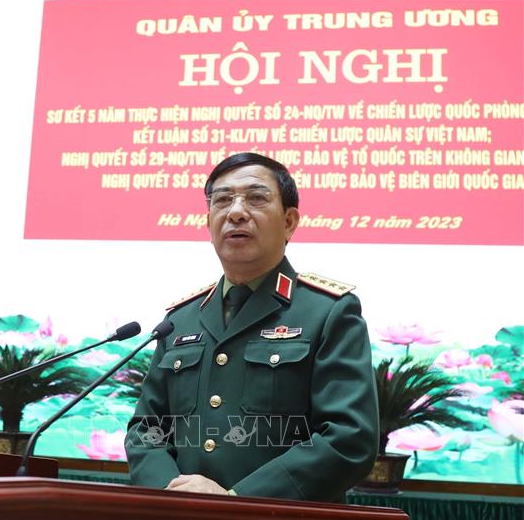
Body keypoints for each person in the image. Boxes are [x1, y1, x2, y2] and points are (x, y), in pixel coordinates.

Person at [125, 152, 378, 502]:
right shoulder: (180, 320)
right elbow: (146, 430)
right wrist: (173, 496)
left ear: (289, 221)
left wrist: (237, 498)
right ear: (208, 221)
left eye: (256, 198)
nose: (236, 212)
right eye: (222, 200)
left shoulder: (328, 312)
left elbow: (349, 437)